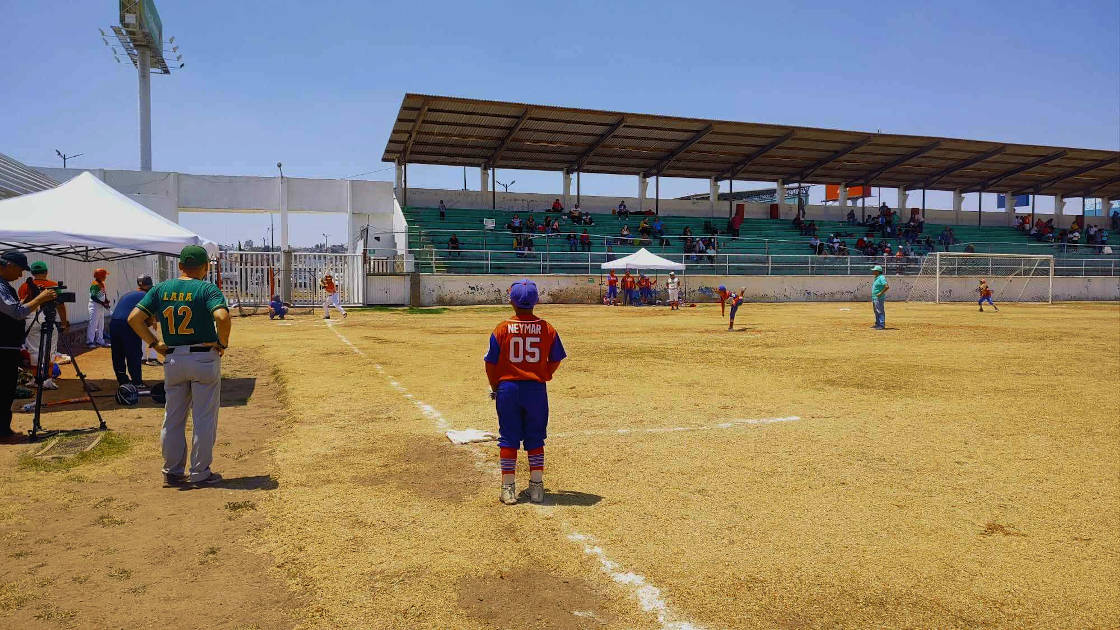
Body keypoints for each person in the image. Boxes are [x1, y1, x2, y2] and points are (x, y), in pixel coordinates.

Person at [128, 245, 231, 486]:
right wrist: (221, 343)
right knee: (204, 418)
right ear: (205, 267)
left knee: (173, 417)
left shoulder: (162, 289)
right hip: (203, 356)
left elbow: (134, 318)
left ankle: (172, 471)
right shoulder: (207, 288)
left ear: (181, 266)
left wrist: (154, 343)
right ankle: (200, 472)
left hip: (173, 358)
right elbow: (222, 317)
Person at [483, 279, 566, 505]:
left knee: (508, 437)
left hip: (508, 388)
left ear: (511, 301)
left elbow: (490, 363)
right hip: (536, 389)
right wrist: (545, 374)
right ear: (536, 301)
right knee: (536, 437)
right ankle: (537, 487)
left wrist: (495, 387)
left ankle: (508, 487)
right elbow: (557, 357)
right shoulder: (546, 327)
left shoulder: (501, 329)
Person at [0, 251, 57, 439]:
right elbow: (16, 312)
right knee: (4, 388)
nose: (21, 275)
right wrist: (40, 299)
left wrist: (30, 300)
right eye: (19, 270)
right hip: (3, 346)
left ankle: (3, 429)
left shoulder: (6, 286)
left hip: (8, 345)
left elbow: (13, 309)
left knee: (7, 389)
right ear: (8, 265)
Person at [18, 261, 69, 390]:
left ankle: (36, 379)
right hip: (48, 317)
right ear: (46, 272)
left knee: (34, 350)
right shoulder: (53, 285)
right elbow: (61, 306)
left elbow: (21, 305)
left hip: (31, 317)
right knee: (50, 350)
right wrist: (64, 323)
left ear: (32, 273)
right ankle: (47, 379)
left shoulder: (24, 286)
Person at [109, 275, 154, 388]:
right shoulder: (147, 296)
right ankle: (137, 382)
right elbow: (149, 318)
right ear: (149, 286)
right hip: (129, 324)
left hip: (114, 322)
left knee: (118, 353)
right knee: (134, 353)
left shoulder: (127, 294)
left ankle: (123, 381)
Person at [87, 268, 111, 347]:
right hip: (94, 306)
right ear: (100, 276)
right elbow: (93, 297)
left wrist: (106, 301)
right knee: (93, 324)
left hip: (100, 306)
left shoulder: (102, 284)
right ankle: (90, 341)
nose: (105, 277)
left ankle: (100, 340)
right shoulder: (95, 284)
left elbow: (103, 294)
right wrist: (103, 303)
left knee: (101, 324)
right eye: (104, 275)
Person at [870, 264, 888, 330]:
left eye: (874, 270)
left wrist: (880, 293)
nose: (873, 271)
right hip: (875, 297)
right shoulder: (877, 277)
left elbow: (886, 286)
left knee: (880, 311)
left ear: (878, 271)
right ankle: (878, 323)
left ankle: (881, 325)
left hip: (879, 298)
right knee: (876, 311)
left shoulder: (881, 277)